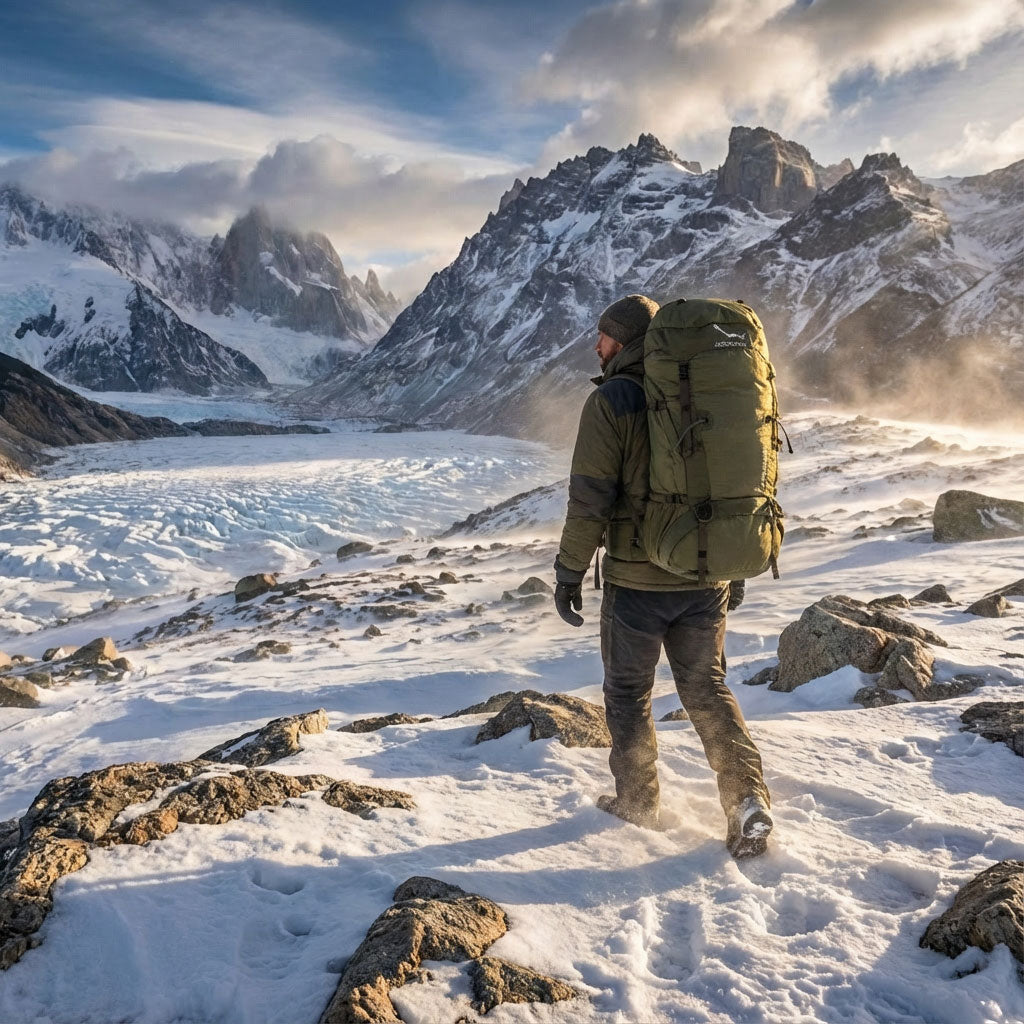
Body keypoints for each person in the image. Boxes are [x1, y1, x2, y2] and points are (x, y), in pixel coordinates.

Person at [553, 294, 773, 858]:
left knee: (629, 693)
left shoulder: (613, 400)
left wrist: (569, 572)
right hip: (705, 577)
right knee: (707, 689)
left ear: (623, 341)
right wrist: (729, 564)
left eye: (603, 336)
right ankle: (747, 800)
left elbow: (590, 500)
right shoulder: (701, 388)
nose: (596, 346)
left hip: (638, 584)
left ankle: (638, 803)